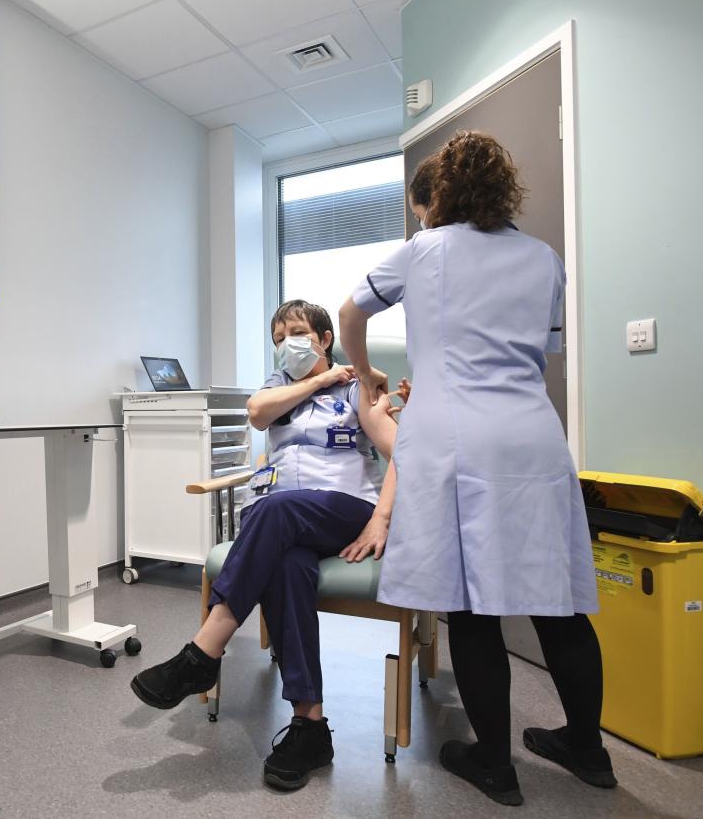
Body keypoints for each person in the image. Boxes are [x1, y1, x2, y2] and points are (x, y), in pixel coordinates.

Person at [339, 131, 616, 807]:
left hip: (457, 441)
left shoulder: (424, 250)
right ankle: (588, 750)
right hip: (534, 439)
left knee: (470, 607)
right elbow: (542, 353)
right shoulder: (545, 258)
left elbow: (350, 311)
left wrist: (370, 369)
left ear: (439, 198)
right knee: (561, 603)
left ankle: (494, 762)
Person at [130, 300, 401, 791]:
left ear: (323, 338)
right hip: (283, 521)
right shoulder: (278, 390)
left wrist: (383, 518)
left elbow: (402, 450)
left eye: (297, 332)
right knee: (288, 566)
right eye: (278, 337)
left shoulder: (360, 388)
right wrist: (318, 380)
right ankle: (310, 725)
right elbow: (256, 414)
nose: (286, 344)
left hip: (344, 510)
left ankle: (204, 651)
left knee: (277, 511)